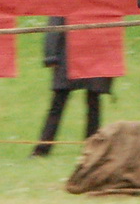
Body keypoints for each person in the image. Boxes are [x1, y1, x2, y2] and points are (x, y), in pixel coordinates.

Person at [31, 17, 110, 156]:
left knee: (91, 103)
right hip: (68, 54)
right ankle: (43, 148)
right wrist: (51, 55)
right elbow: (55, 22)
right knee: (62, 103)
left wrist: (50, 55)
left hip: (90, 52)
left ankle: (91, 148)